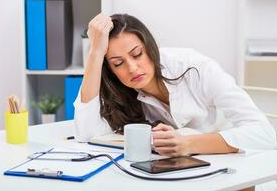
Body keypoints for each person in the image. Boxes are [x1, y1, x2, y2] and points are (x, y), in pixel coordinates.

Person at [73, 13, 276, 157]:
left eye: (137, 54)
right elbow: (86, 133)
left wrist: (187, 144)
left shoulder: (194, 66)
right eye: (118, 63)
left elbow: (265, 134)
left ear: (150, 47)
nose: (132, 68)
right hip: (176, 173)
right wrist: (95, 54)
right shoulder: (117, 88)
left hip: (233, 163)